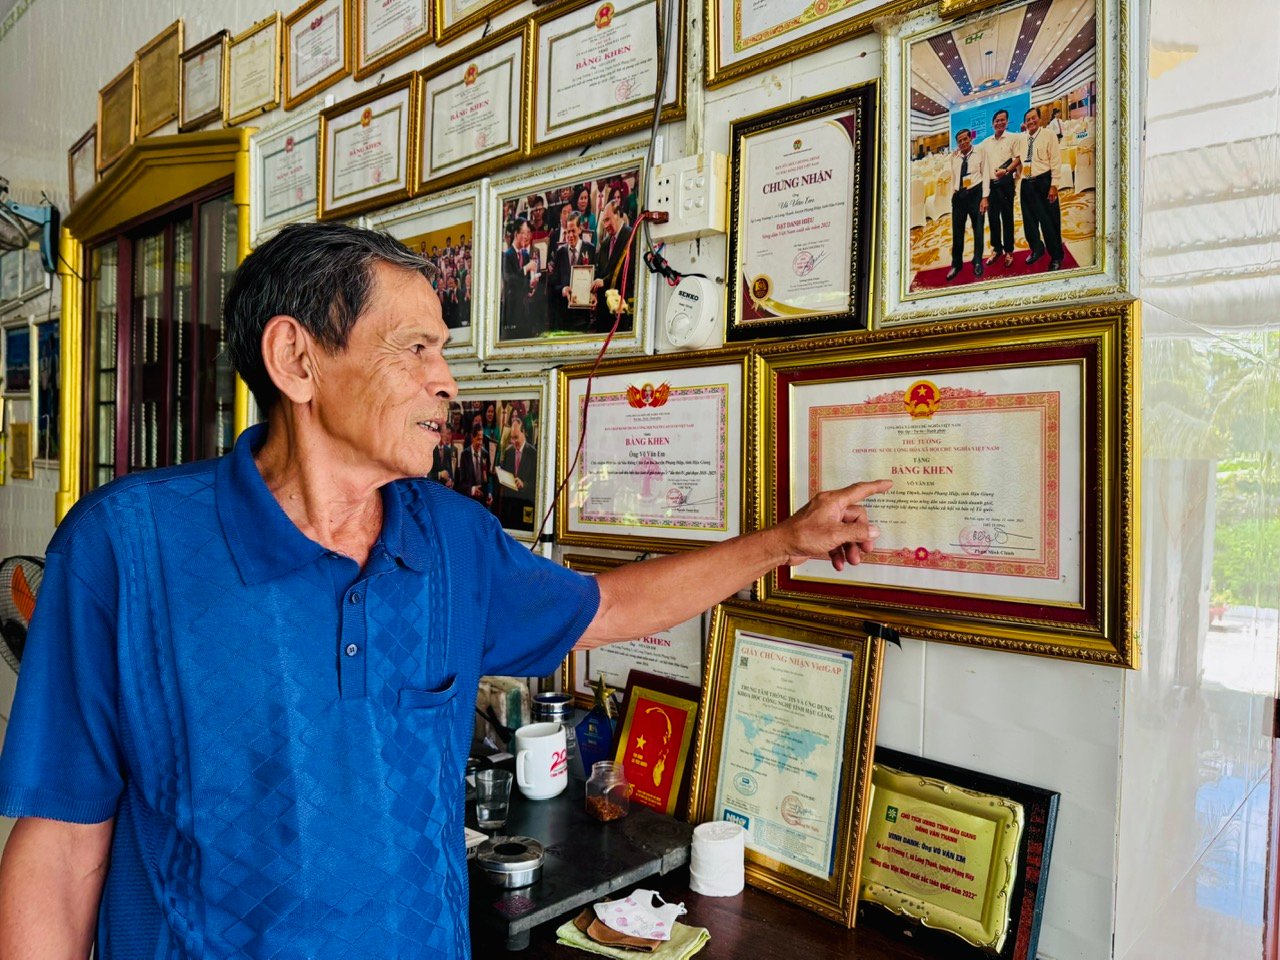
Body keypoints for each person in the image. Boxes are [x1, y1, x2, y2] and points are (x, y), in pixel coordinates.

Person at [0, 222, 890, 960]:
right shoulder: (128, 547)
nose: (448, 382)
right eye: (416, 348)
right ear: (296, 360)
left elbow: (607, 609)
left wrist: (785, 542)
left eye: (445, 351)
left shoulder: (451, 539)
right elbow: (62, 840)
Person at [1019, 107, 1065, 271]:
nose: (1031, 121)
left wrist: (1054, 185)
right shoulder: (1021, 138)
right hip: (1026, 184)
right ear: (1024, 123)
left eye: (1033, 118)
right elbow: (1017, 158)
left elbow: (1056, 160)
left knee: (1049, 222)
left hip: (1044, 182)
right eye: (1028, 119)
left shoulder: (1048, 135)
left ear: (1039, 119)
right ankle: (1037, 249)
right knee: (1029, 223)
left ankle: (1056, 256)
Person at [946, 128, 989, 282]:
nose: (963, 142)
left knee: (978, 230)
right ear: (957, 143)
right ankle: (956, 265)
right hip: (959, 197)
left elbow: (986, 174)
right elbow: (953, 176)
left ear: (970, 139)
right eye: (960, 141)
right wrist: (953, 193)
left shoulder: (980, 153)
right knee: (957, 233)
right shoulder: (955, 157)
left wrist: (985, 197)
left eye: (965, 139)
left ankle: (977, 261)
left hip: (975, 194)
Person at [980, 108, 1020, 268]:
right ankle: (997, 249)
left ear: (1007, 121)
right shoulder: (986, 142)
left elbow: (1018, 158)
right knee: (993, 219)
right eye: (997, 120)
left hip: (1006, 184)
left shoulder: (1012, 138)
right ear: (992, 124)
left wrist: (1007, 170)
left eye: (1003, 120)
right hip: (991, 186)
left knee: (1008, 218)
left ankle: (1009, 250)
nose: (1000, 123)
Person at [551, 211, 597, 331]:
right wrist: (563, 289)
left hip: (584, 317)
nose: (570, 235)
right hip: (564, 317)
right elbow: (553, 284)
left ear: (580, 229)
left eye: (573, 231)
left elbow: (596, 278)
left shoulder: (590, 249)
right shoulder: (560, 253)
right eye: (567, 231)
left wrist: (594, 294)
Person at [591, 200, 633, 331]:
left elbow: (628, 269)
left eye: (608, 219)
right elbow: (601, 273)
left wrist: (604, 281)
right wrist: (594, 293)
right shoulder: (605, 244)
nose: (606, 225)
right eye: (604, 221)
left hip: (621, 308)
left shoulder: (631, 236)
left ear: (618, 215)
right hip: (604, 312)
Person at [498, 417, 537, 531]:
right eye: (511, 438)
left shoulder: (533, 454)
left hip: (525, 504)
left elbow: (537, 484)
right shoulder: (508, 452)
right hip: (510, 507)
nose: (513, 442)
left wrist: (524, 484)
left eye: (516, 437)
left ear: (524, 432)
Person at [501, 217, 538, 337]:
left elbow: (525, 282)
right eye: (523, 233)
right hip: (512, 311)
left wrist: (531, 286)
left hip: (526, 311)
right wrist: (526, 268)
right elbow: (509, 279)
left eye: (528, 233)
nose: (526, 237)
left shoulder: (525, 255)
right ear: (516, 234)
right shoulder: (506, 255)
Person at [457, 425, 493, 508]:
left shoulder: (485, 454)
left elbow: (488, 478)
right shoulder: (464, 455)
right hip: (469, 501)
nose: (480, 443)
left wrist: (490, 493)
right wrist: (473, 490)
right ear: (472, 438)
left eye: (482, 439)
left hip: (483, 502)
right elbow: (461, 483)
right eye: (478, 439)